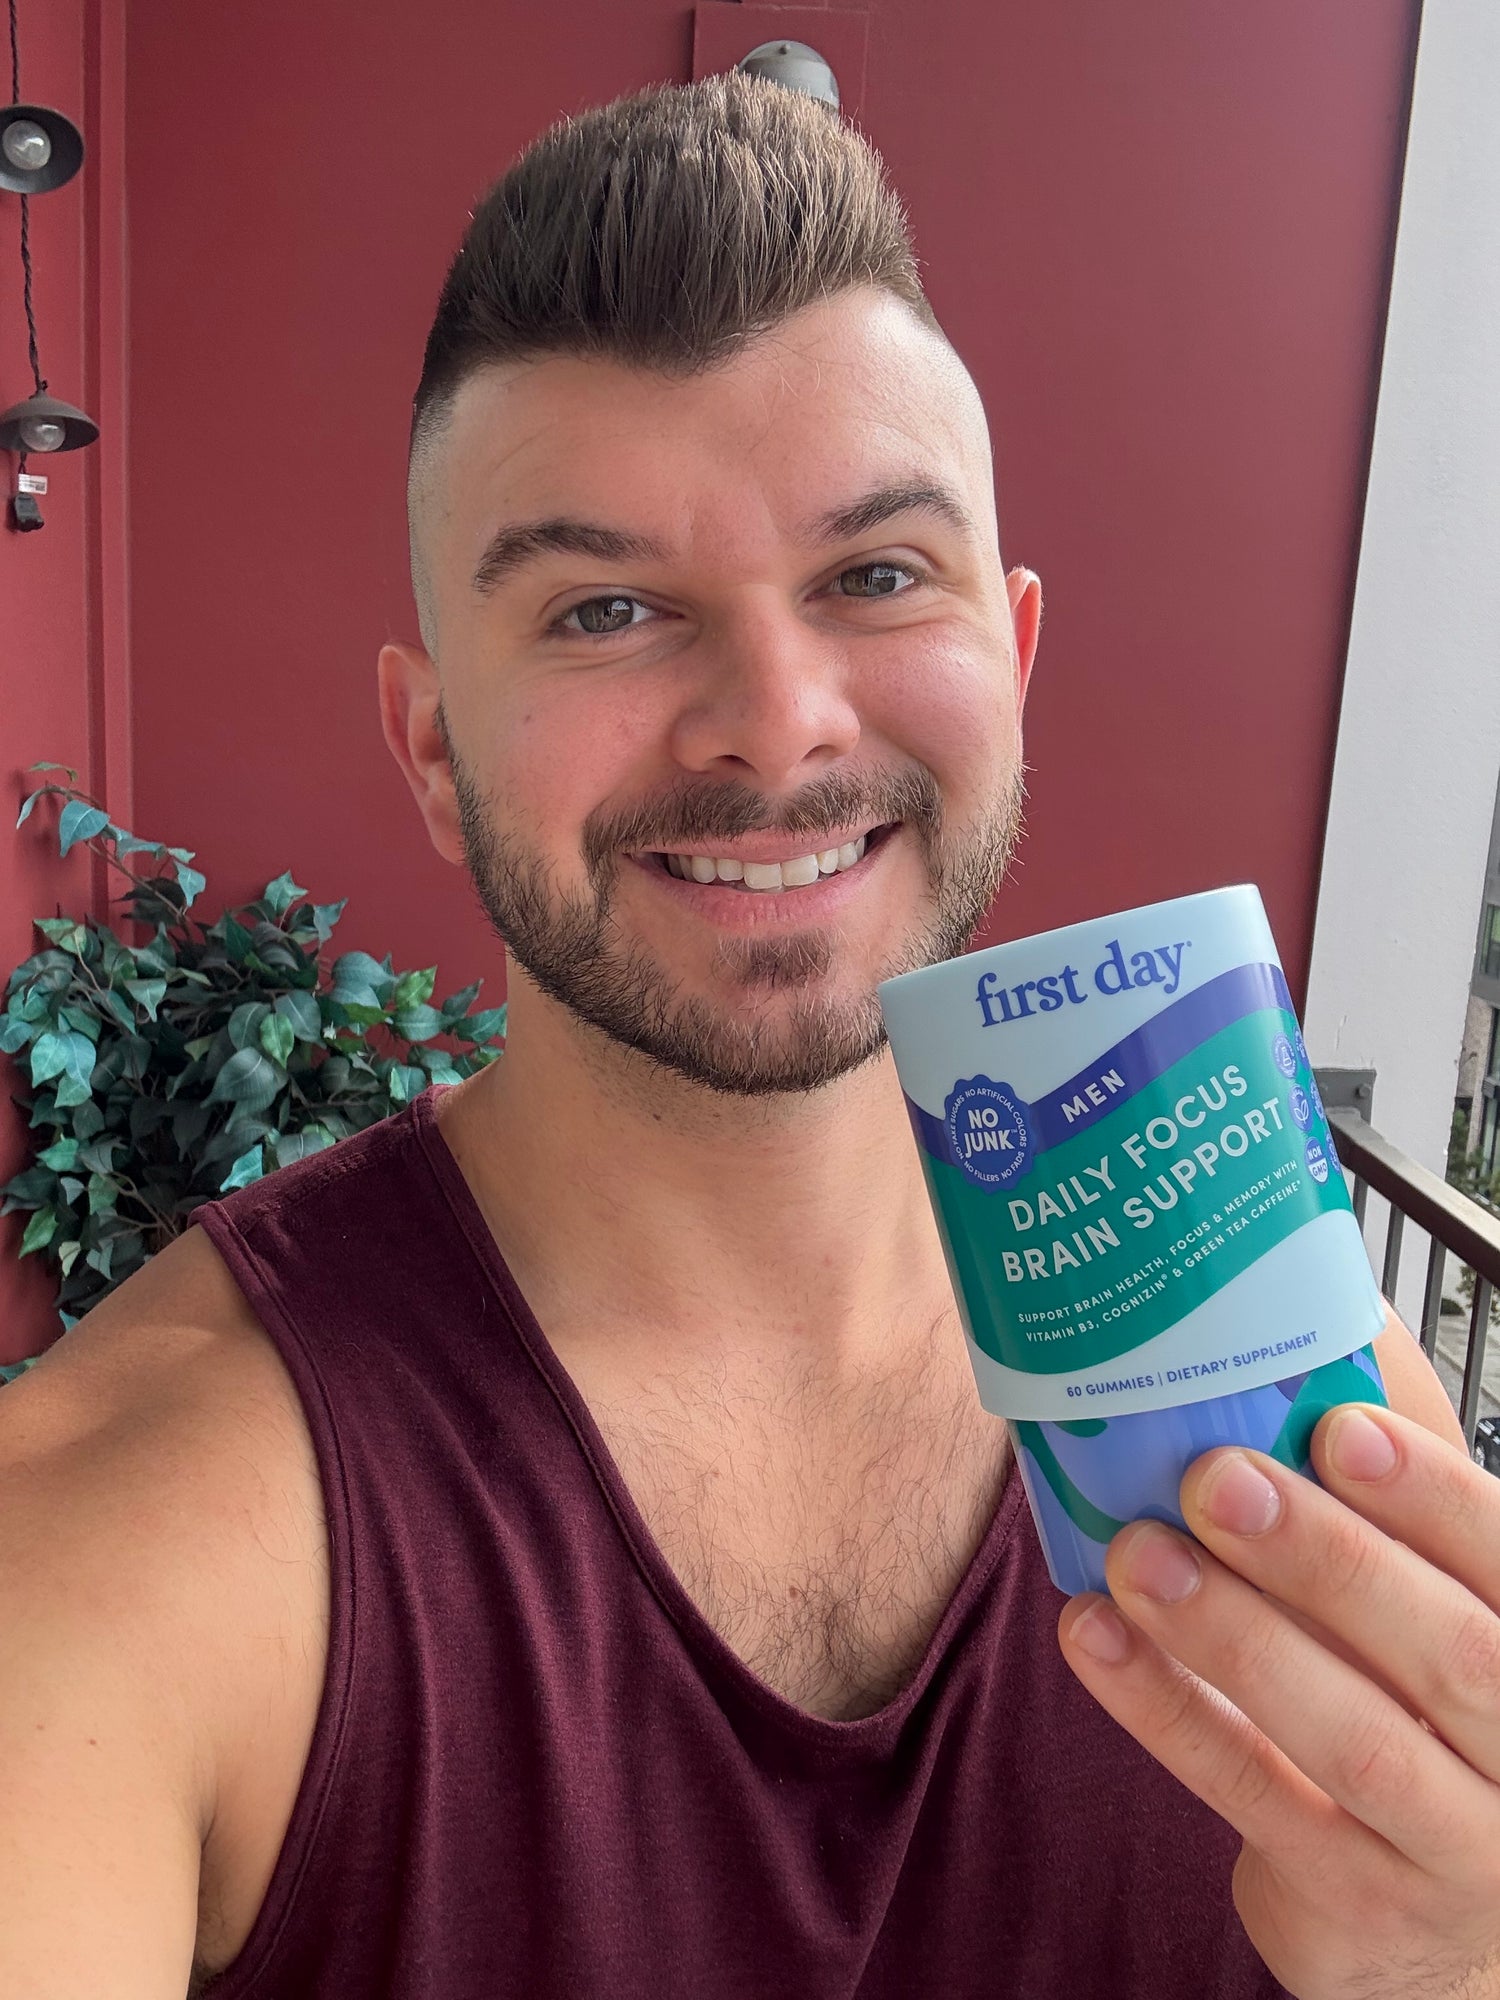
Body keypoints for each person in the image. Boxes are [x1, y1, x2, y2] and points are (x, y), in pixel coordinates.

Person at [2, 72, 1497, 2000]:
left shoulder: (1322, 1411)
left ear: (1015, 660)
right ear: (435, 753)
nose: (775, 724)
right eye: (607, 607)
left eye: (876, 575)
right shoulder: (122, 1542)